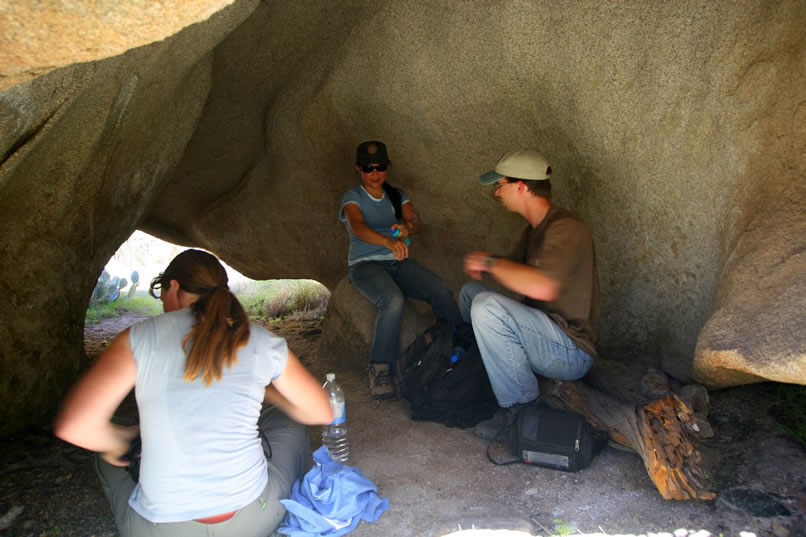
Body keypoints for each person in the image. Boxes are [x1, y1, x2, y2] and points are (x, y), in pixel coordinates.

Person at [54, 249, 333, 537]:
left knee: (108, 447)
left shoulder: (139, 337)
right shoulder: (260, 339)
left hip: (160, 531)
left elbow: (77, 426)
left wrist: (117, 442)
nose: (163, 303)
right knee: (292, 422)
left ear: (174, 286)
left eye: (162, 294)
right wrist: (268, 392)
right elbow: (321, 411)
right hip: (251, 521)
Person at [460, 149, 600, 440]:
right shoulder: (534, 230)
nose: (496, 193)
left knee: (486, 306)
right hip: (542, 333)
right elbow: (515, 276)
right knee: (470, 294)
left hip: (570, 349)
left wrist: (489, 262)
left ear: (521, 186)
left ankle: (521, 411)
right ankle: (494, 377)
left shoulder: (566, 228)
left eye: (500, 185)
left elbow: (542, 286)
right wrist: (492, 262)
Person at [340, 140, 462, 399]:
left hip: (399, 263)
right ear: (358, 169)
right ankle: (380, 369)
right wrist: (387, 241)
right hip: (365, 266)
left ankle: (461, 344)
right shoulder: (353, 197)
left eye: (380, 167)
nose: (375, 173)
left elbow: (414, 221)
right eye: (368, 167)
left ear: (388, 167)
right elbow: (357, 226)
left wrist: (407, 228)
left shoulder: (396, 195)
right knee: (392, 300)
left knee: (438, 289)